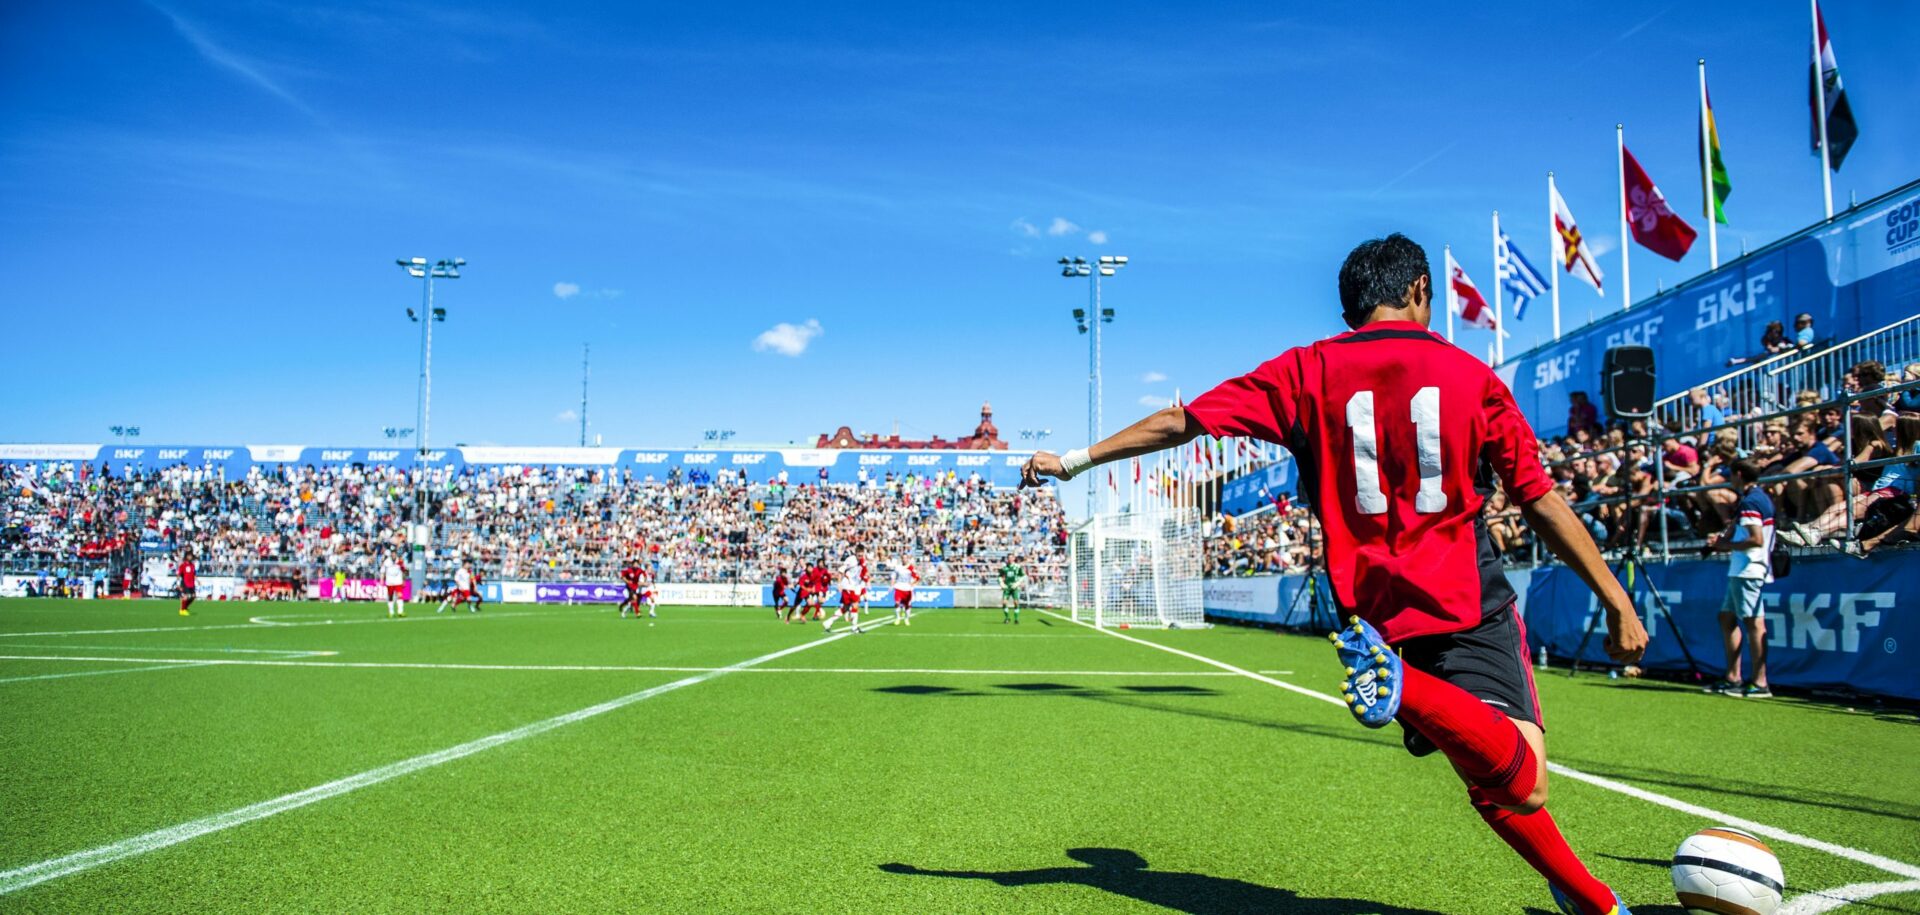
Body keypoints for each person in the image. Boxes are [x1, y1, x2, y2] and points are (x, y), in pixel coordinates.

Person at [1023, 233, 1648, 915]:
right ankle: (1408, 691)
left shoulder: (1305, 370)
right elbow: (1542, 500)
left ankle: (1593, 901)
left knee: (1482, 767)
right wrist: (1616, 601)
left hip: (1375, 617)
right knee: (1522, 778)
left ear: (1352, 305)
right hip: (1464, 603)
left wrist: (1075, 461)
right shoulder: (1473, 376)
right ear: (1417, 292)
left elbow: (1183, 420)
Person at [1703, 461, 1774, 698]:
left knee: (1754, 624)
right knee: (1727, 618)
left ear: (1739, 474)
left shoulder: (1752, 501)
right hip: (1744, 569)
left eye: (1731, 474)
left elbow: (1756, 539)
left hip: (1749, 569)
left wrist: (1726, 544)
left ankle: (1760, 682)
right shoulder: (1755, 498)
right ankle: (1734, 677)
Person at [824, 552, 864, 634]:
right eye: (859, 555)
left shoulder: (861, 561)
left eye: (862, 555)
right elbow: (841, 570)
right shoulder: (851, 560)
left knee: (845, 608)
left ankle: (828, 622)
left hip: (854, 586)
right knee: (855, 605)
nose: (860, 557)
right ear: (856, 554)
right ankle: (854, 627)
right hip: (848, 586)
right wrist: (839, 584)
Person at [889, 553, 919, 626]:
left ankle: (906, 618)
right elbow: (893, 577)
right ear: (901, 559)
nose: (904, 559)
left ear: (907, 559)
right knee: (897, 603)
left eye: (906, 558)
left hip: (907, 589)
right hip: (899, 587)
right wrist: (891, 586)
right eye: (903, 558)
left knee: (907, 605)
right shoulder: (897, 567)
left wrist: (912, 584)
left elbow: (917, 577)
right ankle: (898, 618)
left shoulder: (911, 567)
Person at [998, 558, 1025, 624]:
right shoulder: (1004, 567)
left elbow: (1023, 575)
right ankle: (1007, 618)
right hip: (1007, 587)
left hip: (1014, 587)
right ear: (1007, 559)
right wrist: (1001, 583)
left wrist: (1017, 583)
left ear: (1013, 559)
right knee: (1004, 602)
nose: (1010, 559)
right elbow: (1000, 576)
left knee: (1016, 602)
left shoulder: (1017, 567)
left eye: (1011, 558)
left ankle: (1016, 619)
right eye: (1009, 558)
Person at [380, 552, 407, 618]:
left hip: (398, 581)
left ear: (396, 555)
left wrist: (404, 580)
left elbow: (404, 571)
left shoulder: (400, 561)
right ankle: (391, 612)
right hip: (389, 582)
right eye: (392, 554)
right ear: (391, 555)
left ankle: (400, 612)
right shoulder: (387, 562)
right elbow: (382, 571)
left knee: (399, 595)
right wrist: (381, 580)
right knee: (390, 597)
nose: (393, 555)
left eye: (394, 554)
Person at [175, 550, 197, 616]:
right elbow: (178, 575)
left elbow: (194, 574)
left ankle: (185, 608)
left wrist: (198, 581)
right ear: (186, 557)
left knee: (193, 597)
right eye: (189, 556)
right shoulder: (183, 565)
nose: (190, 557)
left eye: (191, 556)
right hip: (185, 583)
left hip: (192, 584)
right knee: (186, 597)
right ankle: (182, 610)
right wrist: (178, 584)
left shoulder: (192, 565)